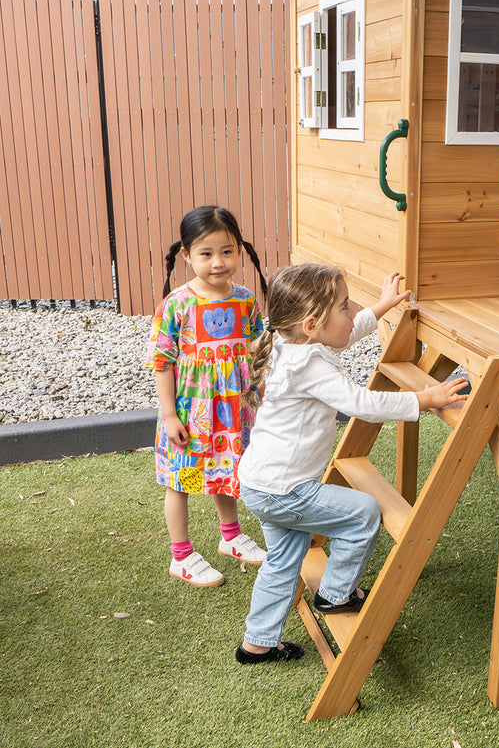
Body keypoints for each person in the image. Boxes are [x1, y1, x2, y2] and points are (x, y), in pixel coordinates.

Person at [234, 263, 468, 663]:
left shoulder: (292, 345)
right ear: (311, 324)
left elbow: (346, 332)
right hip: (285, 490)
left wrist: (379, 307)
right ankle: (335, 595)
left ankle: (256, 643)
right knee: (362, 514)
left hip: (261, 484)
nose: (352, 309)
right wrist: (424, 400)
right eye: (344, 305)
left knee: (283, 559)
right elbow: (363, 403)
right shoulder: (310, 365)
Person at [146, 205, 269, 587]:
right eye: (206, 253)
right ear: (186, 254)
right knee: (179, 481)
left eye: (227, 251)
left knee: (228, 470)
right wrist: (169, 415)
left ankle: (230, 536)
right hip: (189, 412)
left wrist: (260, 387)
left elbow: (256, 346)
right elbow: (162, 362)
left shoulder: (245, 299)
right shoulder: (177, 304)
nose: (218, 262)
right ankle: (180, 555)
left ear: (239, 249)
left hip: (234, 409)